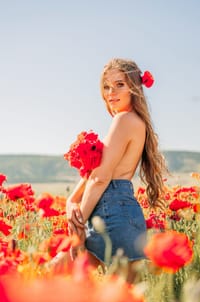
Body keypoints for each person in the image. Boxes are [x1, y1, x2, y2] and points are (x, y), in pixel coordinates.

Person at [66, 58, 166, 282]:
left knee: (60, 275)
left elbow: (101, 178)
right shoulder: (135, 121)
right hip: (123, 214)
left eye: (119, 84)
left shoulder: (123, 120)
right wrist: (71, 200)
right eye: (106, 86)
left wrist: (78, 225)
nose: (111, 92)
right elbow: (98, 172)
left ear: (134, 87)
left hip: (110, 215)